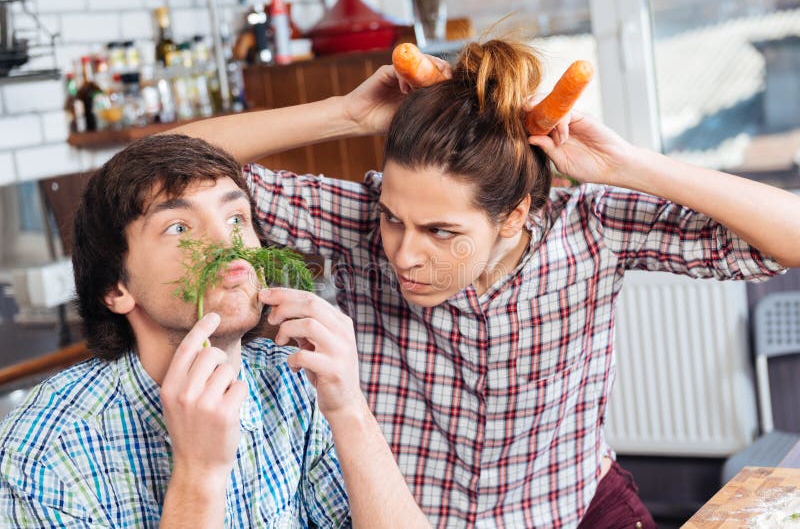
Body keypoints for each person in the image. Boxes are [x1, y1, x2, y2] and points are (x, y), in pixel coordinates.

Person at [173, 39, 800, 528]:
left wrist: (626, 164)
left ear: (515, 216)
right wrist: (346, 112)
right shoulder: (356, 221)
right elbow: (160, 166)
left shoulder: (593, 230)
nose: (404, 255)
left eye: (442, 232)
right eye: (394, 218)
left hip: (577, 512)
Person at [0, 135, 430, 528]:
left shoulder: (296, 382)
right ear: (116, 288)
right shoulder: (41, 453)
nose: (228, 244)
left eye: (237, 218)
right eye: (179, 228)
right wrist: (198, 477)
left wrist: (350, 409)